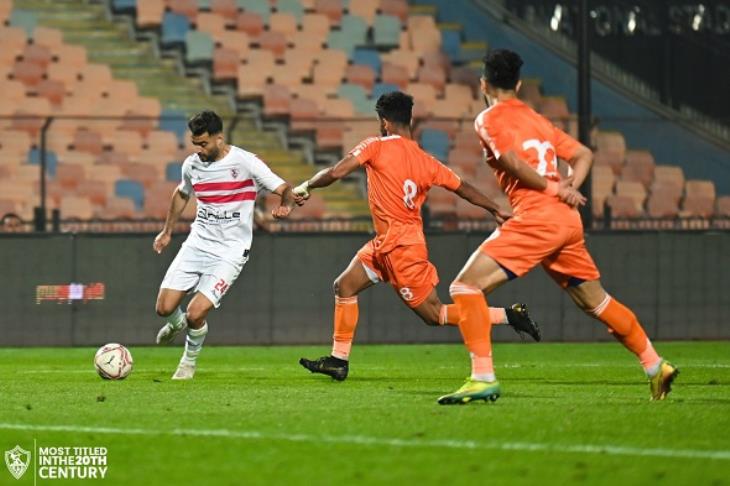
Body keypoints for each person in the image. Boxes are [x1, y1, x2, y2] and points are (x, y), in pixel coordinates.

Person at [437, 49, 677, 405]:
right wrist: (568, 187)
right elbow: (584, 154)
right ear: (519, 85)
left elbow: (511, 161)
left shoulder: (488, 118)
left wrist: (554, 189)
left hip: (537, 216)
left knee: (465, 286)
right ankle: (655, 365)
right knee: (596, 301)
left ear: (484, 84)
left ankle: (482, 378)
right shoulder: (537, 119)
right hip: (566, 220)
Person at [293, 91, 541, 382]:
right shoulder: (427, 161)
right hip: (385, 243)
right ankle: (338, 361)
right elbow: (463, 187)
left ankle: (510, 315)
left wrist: (306, 186)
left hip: (402, 248)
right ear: (408, 119)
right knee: (344, 286)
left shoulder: (375, 146)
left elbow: (337, 172)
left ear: (384, 122)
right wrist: (495, 209)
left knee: (435, 315)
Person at [153, 110, 296, 380]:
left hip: (230, 251)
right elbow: (182, 193)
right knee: (163, 308)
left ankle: (188, 362)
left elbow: (284, 189)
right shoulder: (192, 165)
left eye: (204, 143)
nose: (199, 150)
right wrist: (167, 231)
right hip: (198, 243)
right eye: (195, 144)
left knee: (196, 313)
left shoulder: (246, 162)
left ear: (219, 138)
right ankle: (176, 324)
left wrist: (286, 206)